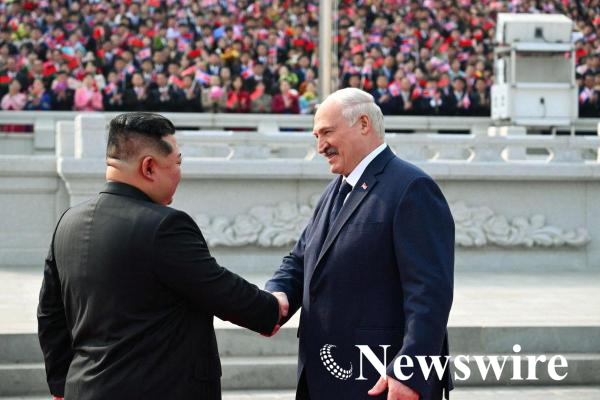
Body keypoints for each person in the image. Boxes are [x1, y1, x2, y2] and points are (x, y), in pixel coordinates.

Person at [38, 113, 288, 400]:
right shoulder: (164, 226)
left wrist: (61, 385)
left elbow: (50, 314)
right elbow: (219, 289)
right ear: (149, 167)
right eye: (177, 163)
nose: (179, 172)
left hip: (83, 389)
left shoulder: (68, 222)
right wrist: (270, 308)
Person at [265, 88, 454, 400]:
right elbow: (301, 260)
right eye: (316, 136)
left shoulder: (412, 187)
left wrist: (410, 371)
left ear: (363, 124)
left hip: (380, 379)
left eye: (327, 132)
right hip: (325, 377)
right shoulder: (334, 191)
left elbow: (429, 293)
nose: (320, 146)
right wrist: (276, 293)